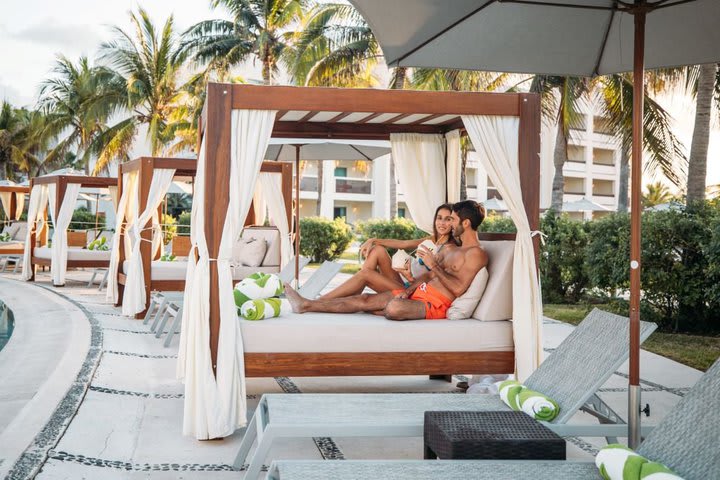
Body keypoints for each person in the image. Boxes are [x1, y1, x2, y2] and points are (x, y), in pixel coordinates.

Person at [285, 200, 488, 321]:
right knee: (364, 298)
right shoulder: (451, 248)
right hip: (417, 293)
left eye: (452, 219)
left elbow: (459, 289)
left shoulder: (476, 254)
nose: (449, 224)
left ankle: (366, 306)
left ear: (466, 223)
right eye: (445, 219)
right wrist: (408, 289)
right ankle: (306, 305)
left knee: (393, 308)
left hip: (434, 304)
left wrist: (433, 263)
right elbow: (428, 275)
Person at [318, 203, 459, 300]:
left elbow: (433, 280)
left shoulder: (449, 249)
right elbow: (403, 244)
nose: (441, 223)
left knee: (366, 274)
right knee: (378, 250)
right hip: (402, 282)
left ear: (454, 222)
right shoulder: (433, 239)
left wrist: (410, 278)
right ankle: (354, 288)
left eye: (448, 219)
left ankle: (322, 301)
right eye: (439, 218)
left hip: (411, 291)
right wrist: (374, 240)